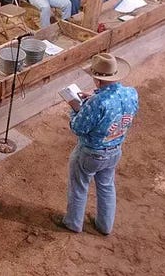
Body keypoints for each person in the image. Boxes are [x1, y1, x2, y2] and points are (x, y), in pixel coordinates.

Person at [55, 53, 138, 235]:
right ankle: (104, 226)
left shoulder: (96, 103)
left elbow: (78, 128)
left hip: (91, 152)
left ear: (98, 79)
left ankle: (73, 223)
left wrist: (76, 108)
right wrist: (93, 97)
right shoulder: (131, 94)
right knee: (107, 186)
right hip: (115, 150)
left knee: (79, 186)